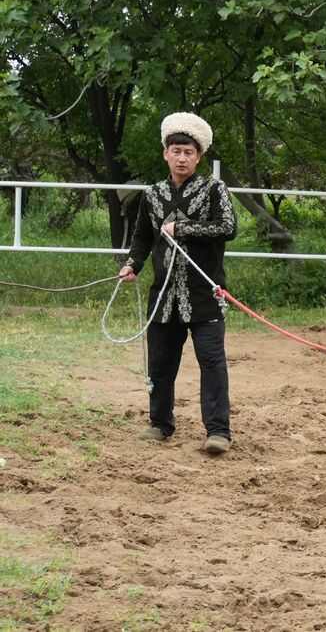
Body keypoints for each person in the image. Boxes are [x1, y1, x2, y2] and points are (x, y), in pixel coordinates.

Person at [119, 112, 238, 454]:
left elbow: (227, 228)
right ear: (165, 154)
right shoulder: (152, 195)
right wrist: (132, 265)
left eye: (189, 152)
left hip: (204, 294)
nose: (182, 157)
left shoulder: (215, 189)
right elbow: (143, 237)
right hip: (164, 297)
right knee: (160, 363)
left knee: (212, 363)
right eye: (177, 151)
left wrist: (183, 228)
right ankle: (160, 423)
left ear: (198, 156)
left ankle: (218, 432)